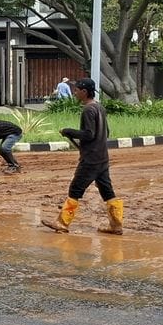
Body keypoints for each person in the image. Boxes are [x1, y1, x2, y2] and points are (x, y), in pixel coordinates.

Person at [41, 77, 122, 235]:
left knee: (75, 189)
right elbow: (106, 133)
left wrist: (68, 131)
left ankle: (62, 223)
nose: (75, 93)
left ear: (84, 92)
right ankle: (116, 225)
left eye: (77, 90)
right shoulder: (99, 107)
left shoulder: (87, 110)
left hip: (90, 159)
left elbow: (88, 134)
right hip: (102, 157)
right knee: (107, 191)